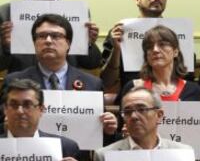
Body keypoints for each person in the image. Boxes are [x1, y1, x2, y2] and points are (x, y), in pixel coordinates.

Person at [1, 14, 117, 147]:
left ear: (68, 43)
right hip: (30, 155)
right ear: (34, 43)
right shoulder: (14, 81)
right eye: (42, 36)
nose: (48, 41)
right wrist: (8, 125)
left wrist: (109, 131)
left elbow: (100, 139)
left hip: (76, 157)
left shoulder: (92, 84)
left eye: (56, 36)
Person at [0, 0, 101, 73]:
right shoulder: (5, 13)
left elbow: (92, 64)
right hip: (21, 88)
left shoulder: (77, 12)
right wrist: (6, 47)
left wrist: (88, 44)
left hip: (65, 88)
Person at [100, 0, 169, 89]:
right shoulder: (120, 32)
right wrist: (116, 50)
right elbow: (106, 82)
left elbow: (187, 77)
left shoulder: (177, 31)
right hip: (132, 97)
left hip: (170, 97)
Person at [119, 25, 200, 102]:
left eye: (162, 44)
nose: (155, 50)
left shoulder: (193, 90)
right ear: (146, 55)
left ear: (175, 52)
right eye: (149, 46)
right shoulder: (133, 87)